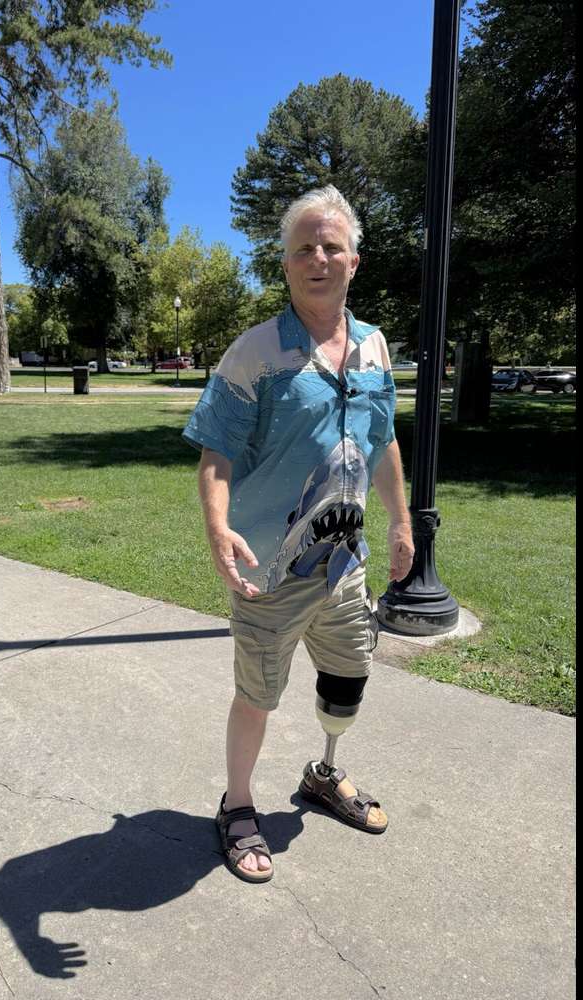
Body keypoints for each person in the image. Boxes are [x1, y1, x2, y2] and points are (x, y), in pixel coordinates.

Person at [182, 184, 414, 883]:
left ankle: (324, 773)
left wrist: (401, 522)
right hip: (270, 570)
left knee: (348, 679)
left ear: (354, 261)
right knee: (257, 694)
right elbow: (216, 453)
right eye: (303, 248)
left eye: (330, 246)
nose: (318, 258)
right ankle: (237, 805)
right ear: (285, 264)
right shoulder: (255, 353)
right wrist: (218, 527)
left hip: (344, 563)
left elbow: (383, 439)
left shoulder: (374, 348)